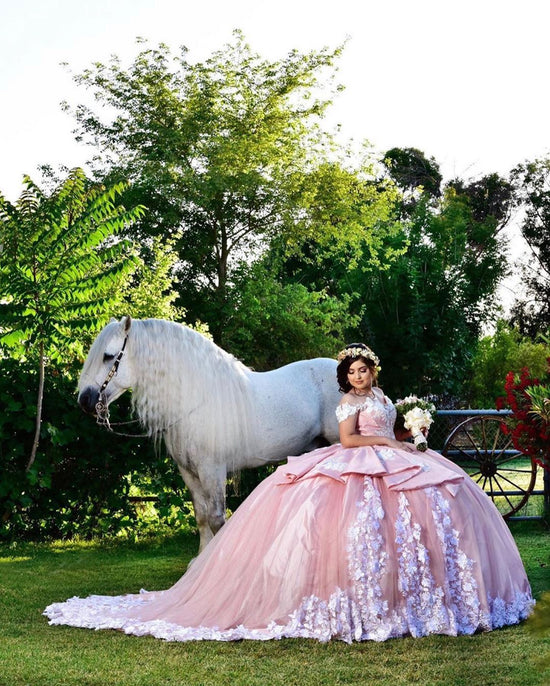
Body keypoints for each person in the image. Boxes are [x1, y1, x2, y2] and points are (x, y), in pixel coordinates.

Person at [44, 343, 534, 643]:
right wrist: (386, 442)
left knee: (407, 513)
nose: (358, 377)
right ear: (347, 377)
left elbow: (387, 425)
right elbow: (350, 438)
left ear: (373, 372)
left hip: (392, 458)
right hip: (363, 454)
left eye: (363, 370)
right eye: (353, 372)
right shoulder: (345, 402)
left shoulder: (381, 398)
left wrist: (411, 433)